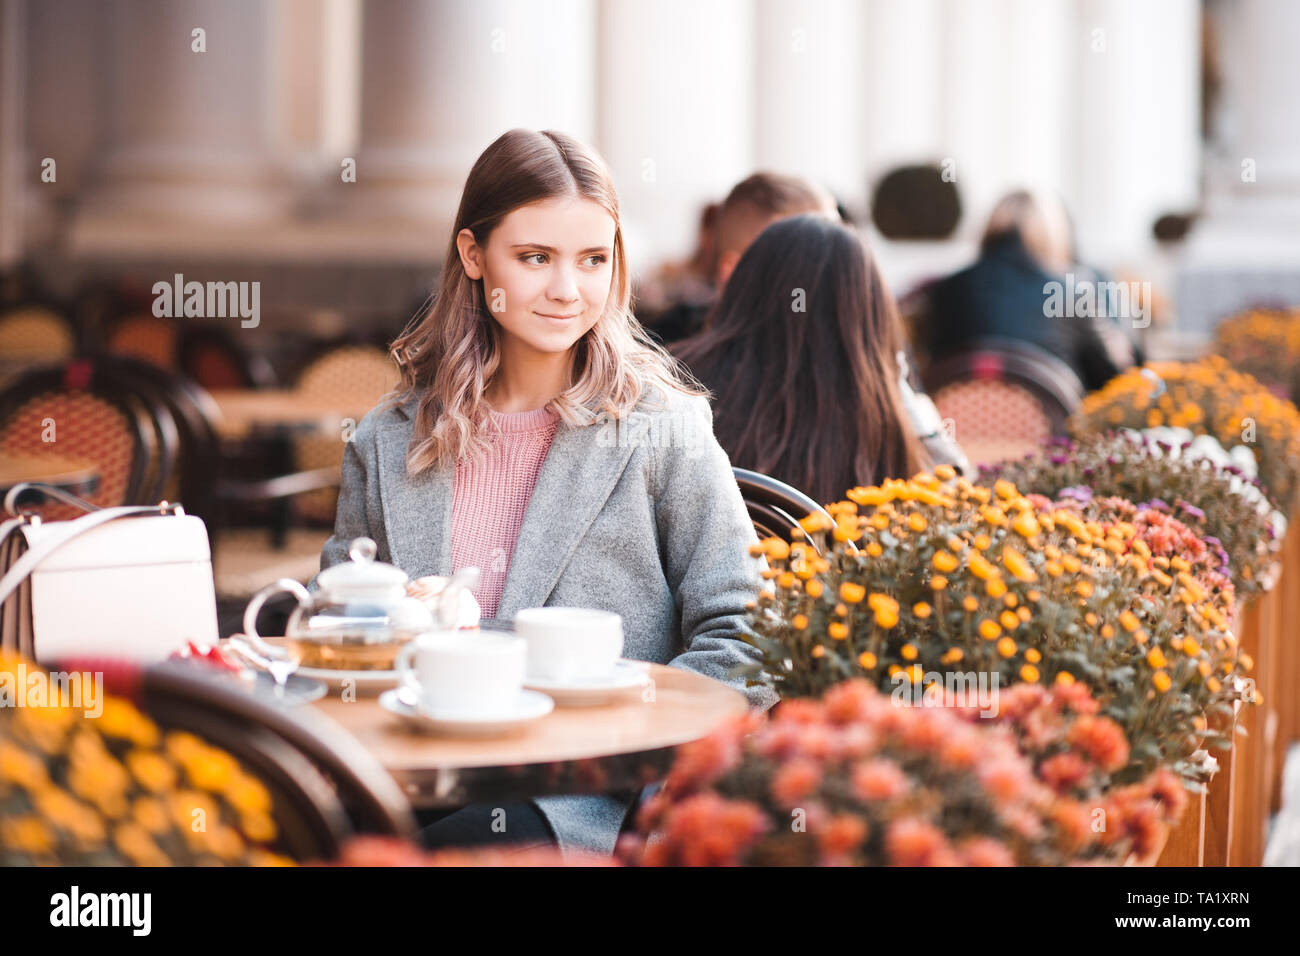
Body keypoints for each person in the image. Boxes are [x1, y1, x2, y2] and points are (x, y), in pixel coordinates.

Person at [318, 129, 777, 858]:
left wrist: (625, 736)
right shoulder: (387, 434)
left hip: (579, 795)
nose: (568, 290)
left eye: (593, 260)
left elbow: (749, 633)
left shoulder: (663, 428)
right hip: (409, 775)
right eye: (535, 259)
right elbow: (340, 628)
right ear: (474, 256)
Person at [673, 214, 966, 506]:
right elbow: (957, 497)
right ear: (871, 313)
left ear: (745, 289)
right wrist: (903, 392)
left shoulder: (678, 381)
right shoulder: (885, 413)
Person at [921, 189, 1122, 392]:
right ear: (1053, 235)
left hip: (959, 413)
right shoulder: (1070, 293)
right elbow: (1108, 376)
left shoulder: (947, 290)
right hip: (1052, 417)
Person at [644, 172, 838, 345]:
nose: (829, 273)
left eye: (838, 250)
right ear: (734, 272)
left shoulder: (841, 348)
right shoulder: (669, 367)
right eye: (802, 258)